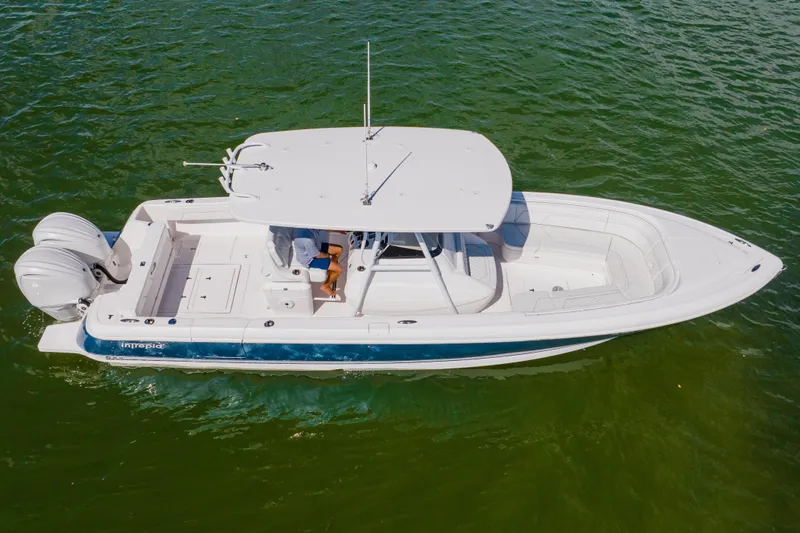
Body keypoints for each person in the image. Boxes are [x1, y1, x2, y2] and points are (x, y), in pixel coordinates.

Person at [293, 228, 344, 297]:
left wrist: (339, 230)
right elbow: (317, 255)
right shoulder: (308, 240)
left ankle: (329, 269)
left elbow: (323, 228)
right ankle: (325, 286)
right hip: (310, 260)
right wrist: (328, 255)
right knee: (339, 269)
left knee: (339, 249)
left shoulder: (309, 226)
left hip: (316, 247)